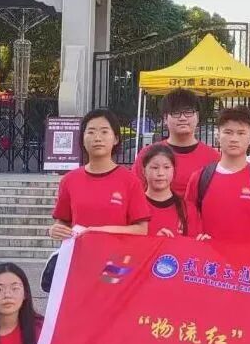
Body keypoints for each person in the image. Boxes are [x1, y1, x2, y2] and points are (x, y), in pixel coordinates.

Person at [49, 109, 150, 241]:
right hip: (80, 252)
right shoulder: (69, 180)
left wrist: (99, 231)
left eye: (104, 132)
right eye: (91, 132)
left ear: (116, 139)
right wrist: (56, 230)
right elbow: (63, 222)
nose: (97, 138)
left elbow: (141, 229)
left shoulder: (130, 180)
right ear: (82, 139)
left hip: (117, 253)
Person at [185, 106, 250, 244]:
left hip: (249, 257)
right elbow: (189, 225)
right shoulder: (200, 178)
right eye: (228, 132)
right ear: (218, 135)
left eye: (241, 133)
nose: (234, 139)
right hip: (209, 256)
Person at [133, 88, 220, 196]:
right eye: (175, 113)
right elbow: (134, 193)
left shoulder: (213, 158)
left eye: (188, 112)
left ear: (197, 117)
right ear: (165, 118)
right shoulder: (148, 154)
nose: (182, 118)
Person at [142, 144, 200, 237]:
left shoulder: (188, 209)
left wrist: (202, 241)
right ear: (144, 171)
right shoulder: (134, 207)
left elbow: (193, 243)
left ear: (174, 170)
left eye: (166, 167)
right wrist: (156, 241)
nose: (160, 173)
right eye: (155, 167)